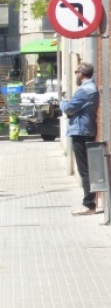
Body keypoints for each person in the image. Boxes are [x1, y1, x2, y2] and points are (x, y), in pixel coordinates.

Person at [61, 62, 99, 215]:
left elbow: (69, 108)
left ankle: (89, 204)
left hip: (81, 130)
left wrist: (64, 102)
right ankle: (90, 202)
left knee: (84, 169)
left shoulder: (85, 90)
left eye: (76, 72)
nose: (76, 74)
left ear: (81, 73)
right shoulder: (90, 89)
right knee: (86, 168)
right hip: (85, 129)